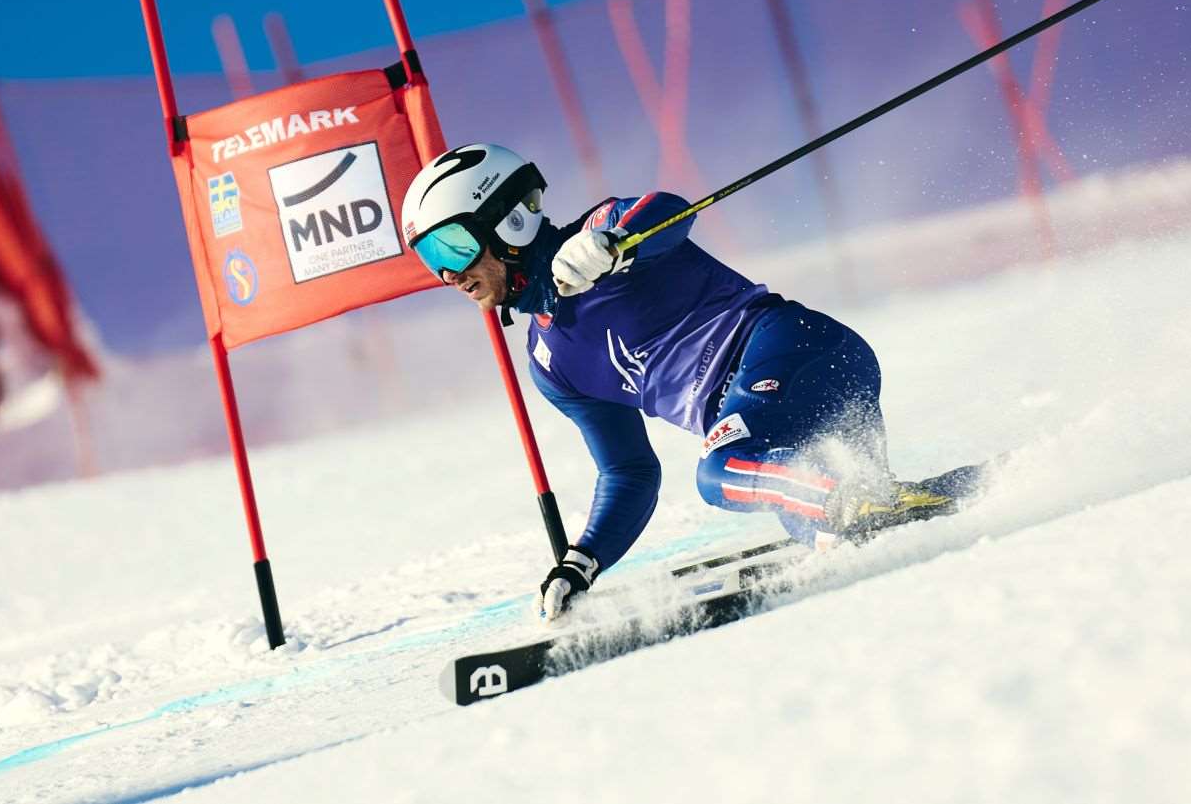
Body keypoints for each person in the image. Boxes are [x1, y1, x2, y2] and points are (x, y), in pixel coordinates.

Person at [402, 144, 977, 621]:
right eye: (431, 258)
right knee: (821, 527)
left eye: (453, 245)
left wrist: (614, 244)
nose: (449, 273)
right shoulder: (548, 364)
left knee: (721, 471)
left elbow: (669, 211)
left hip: (796, 351)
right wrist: (580, 563)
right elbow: (628, 472)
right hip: (766, 422)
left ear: (509, 221)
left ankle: (860, 503)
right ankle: (906, 503)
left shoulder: (599, 230)